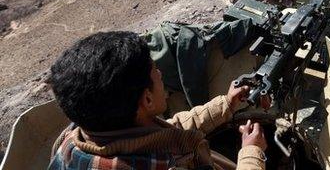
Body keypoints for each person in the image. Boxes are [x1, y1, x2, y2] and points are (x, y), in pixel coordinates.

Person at [47, 31, 267, 170]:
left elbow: (163, 132)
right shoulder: (170, 165)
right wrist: (252, 151)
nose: (160, 74)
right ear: (148, 100)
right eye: (155, 70)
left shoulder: (73, 140)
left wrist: (225, 104)